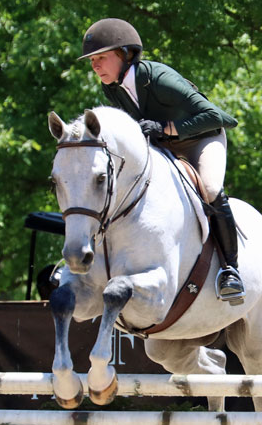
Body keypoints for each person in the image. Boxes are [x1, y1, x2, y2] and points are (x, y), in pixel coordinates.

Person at [78, 18, 245, 301]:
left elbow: (217, 116)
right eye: (93, 59)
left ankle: (231, 270)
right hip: (165, 143)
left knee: (212, 190)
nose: (95, 65)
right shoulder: (112, 87)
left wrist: (167, 128)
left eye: (101, 58)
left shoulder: (158, 78)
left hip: (202, 139)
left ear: (125, 54)